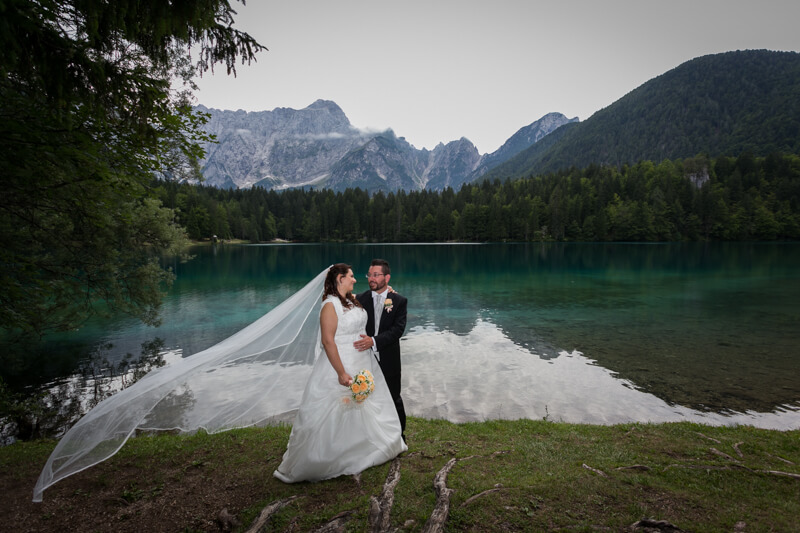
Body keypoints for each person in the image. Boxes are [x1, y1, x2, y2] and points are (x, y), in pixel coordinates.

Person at [273, 264, 407, 483]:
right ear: (339, 279)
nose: (356, 280)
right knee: (336, 405)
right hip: (340, 363)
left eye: (357, 276)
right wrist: (340, 372)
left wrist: (387, 292)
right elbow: (328, 341)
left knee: (363, 405)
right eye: (351, 276)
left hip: (363, 361)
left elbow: (375, 305)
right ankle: (328, 455)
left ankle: (361, 445)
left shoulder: (352, 300)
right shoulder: (330, 305)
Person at [354, 259, 408, 439]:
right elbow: (338, 299)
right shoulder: (360, 299)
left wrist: (374, 341)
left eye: (376, 275)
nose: (371, 278)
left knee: (394, 397)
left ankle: (399, 436)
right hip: (364, 358)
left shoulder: (398, 301)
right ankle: (373, 434)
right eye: (369, 275)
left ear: (387, 277)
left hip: (389, 357)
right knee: (367, 397)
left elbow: (397, 330)